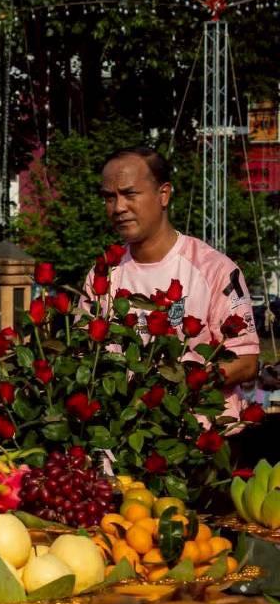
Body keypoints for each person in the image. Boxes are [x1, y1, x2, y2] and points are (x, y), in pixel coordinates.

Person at [98, 147, 259, 410]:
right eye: (108, 197)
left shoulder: (215, 270)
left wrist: (179, 387)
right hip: (121, 440)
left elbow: (246, 360)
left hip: (197, 441)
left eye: (129, 194)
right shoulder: (104, 273)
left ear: (163, 194)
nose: (118, 207)